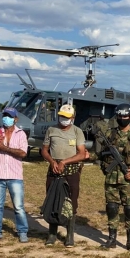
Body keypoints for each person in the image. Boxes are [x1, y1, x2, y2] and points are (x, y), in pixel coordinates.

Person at [97, 103, 130, 254]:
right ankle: (112, 239)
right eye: (119, 116)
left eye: (125, 116)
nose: (122, 119)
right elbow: (100, 154)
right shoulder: (109, 134)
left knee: (129, 209)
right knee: (112, 208)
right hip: (111, 179)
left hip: (128, 179)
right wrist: (103, 166)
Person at [40, 104, 87, 247]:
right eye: (62, 116)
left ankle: (69, 235)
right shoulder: (51, 130)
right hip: (54, 170)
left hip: (71, 171)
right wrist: (52, 161)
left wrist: (65, 162)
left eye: (67, 117)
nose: (63, 119)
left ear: (72, 118)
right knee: (52, 199)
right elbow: (44, 150)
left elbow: (82, 154)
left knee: (71, 202)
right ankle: (52, 234)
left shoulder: (77, 132)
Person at [0, 107, 29, 243]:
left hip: (15, 176)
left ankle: (22, 231)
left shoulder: (21, 134)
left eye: (9, 116)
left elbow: (23, 153)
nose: (6, 118)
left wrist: (5, 148)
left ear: (16, 119)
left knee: (19, 206)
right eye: (5, 116)